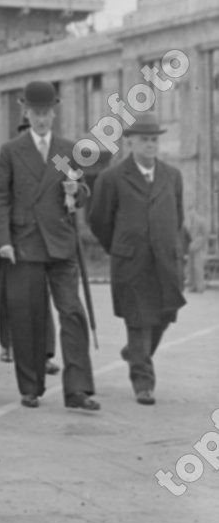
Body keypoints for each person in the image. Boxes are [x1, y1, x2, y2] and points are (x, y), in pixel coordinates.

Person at [0, 81, 98, 411]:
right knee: (28, 318)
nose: (41, 119)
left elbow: (82, 194)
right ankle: (31, 386)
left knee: (73, 313)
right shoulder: (10, 150)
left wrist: (74, 193)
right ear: (26, 112)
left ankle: (78, 389)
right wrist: (4, 241)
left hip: (61, 244)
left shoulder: (67, 150)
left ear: (54, 112)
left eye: (46, 112)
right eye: (35, 113)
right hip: (24, 246)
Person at [89, 116, 187, 404]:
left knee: (164, 314)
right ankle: (143, 382)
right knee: (138, 319)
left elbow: (177, 217)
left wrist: (169, 243)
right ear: (129, 142)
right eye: (144, 139)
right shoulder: (112, 177)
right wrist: (120, 247)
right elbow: (99, 220)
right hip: (131, 262)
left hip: (165, 262)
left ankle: (135, 353)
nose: (150, 144)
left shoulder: (172, 176)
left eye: (154, 139)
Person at [0, 119, 59, 373]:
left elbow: (68, 181)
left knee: (42, 299)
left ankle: (45, 353)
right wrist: (3, 240)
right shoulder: (9, 157)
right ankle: (8, 345)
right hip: (14, 242)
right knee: (12, 300)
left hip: (44, 241)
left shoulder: (54, 157)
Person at [184, 206, 209, 293]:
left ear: (195, 211)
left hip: (199, 247)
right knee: (191, 267)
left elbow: (205, 235)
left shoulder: (201, 220)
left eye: (191, 212)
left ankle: (200, 287)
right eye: (189, 212)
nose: (190, 214)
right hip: (191, 247)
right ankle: (193, 286)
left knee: (198, 267)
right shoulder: (191, 222)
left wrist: (198, 244)